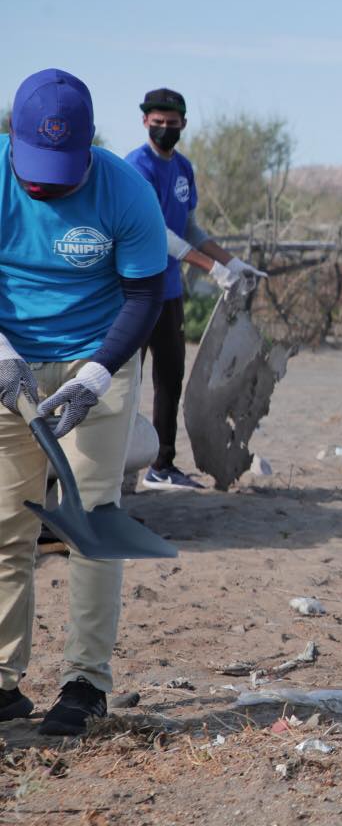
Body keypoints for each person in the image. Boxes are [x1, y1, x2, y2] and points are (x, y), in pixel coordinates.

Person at [0, 69, 167, 735]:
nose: (44, 185)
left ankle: (85, 682)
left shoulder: (125, 191)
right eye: (34, 168)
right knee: (7, 524)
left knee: (90, 520)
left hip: (97, 358)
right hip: (9, 357)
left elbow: (145, 296)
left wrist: (98, 375)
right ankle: (3, 679)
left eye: (60, 169)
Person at [124, 88, 265, 490]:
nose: (165, 129)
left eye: (172, 123)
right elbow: (156, 230)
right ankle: (119, 462)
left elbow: (187, 226)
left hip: (168, 291)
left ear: (183, 123)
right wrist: (209, 268)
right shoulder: (137, 167)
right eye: (157, 122)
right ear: (145, 122)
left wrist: (231, 262)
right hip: (132, 288)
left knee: (170, 377)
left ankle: (161, 465)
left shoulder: (183, 168)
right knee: (126, 379)